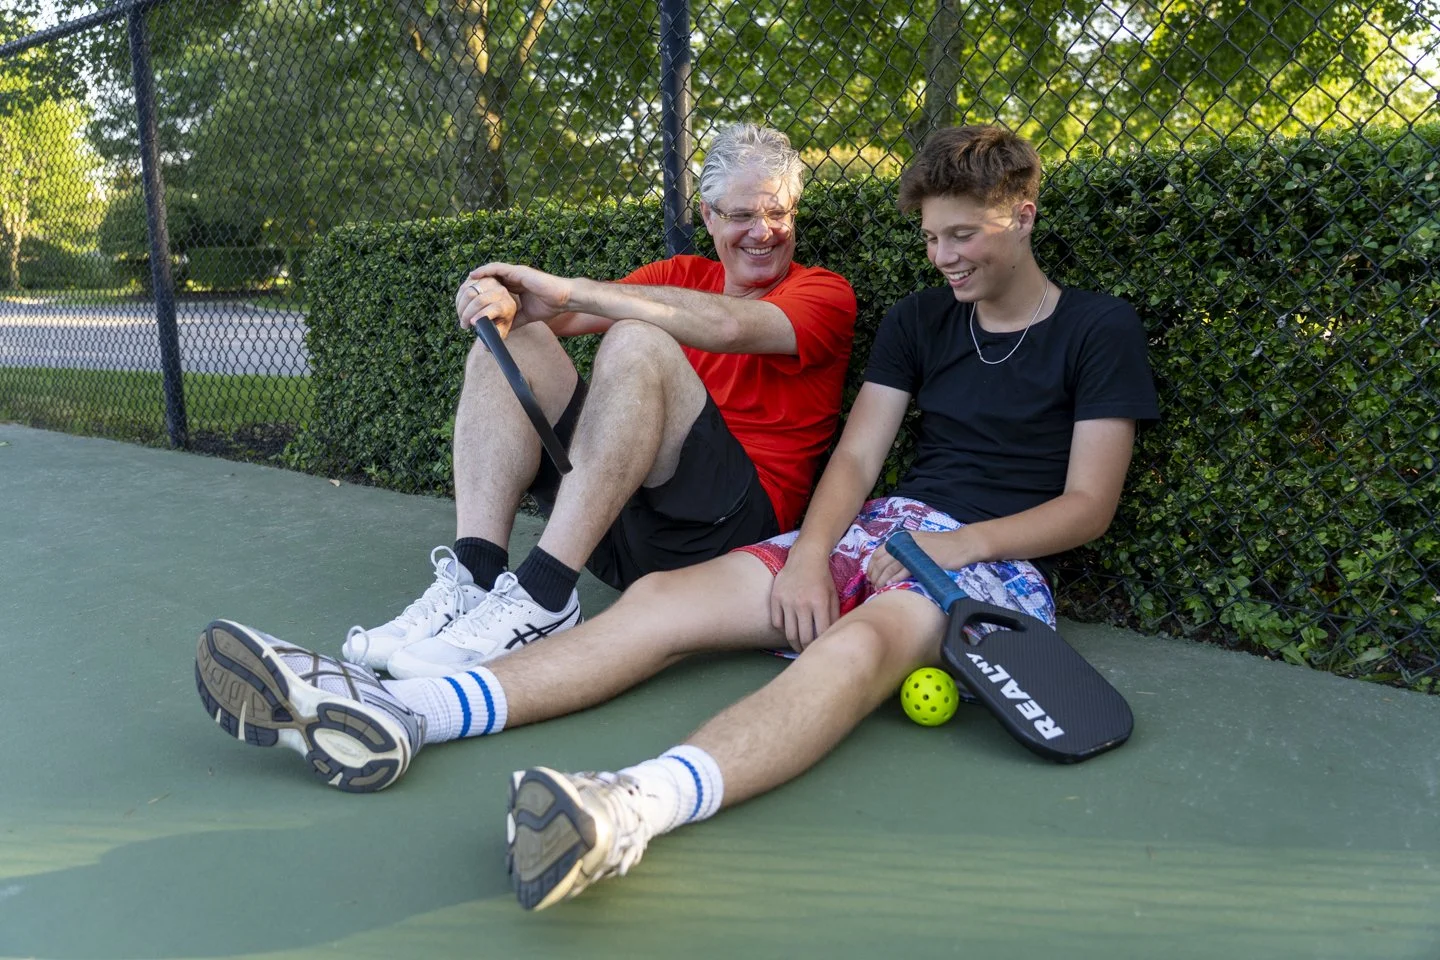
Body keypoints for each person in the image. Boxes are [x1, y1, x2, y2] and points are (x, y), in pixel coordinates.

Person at [194, 124, 1159, 911]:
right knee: (655, 600)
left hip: (989, 566)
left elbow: (1086, 507)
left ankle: (631, 807)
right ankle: (407, 710)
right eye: (934, 238)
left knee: (857, 652)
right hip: (883, 524)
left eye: (966, 236)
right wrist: (813, 555)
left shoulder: (1098, 329)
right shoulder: (919, 319)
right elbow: (860, 458)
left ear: (1022, 214)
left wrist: (954, 545)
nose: (945, 257)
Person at [341, 123, 856, 680]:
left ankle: (545, 595)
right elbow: (552, 315)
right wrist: (499, 299)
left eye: (778, 214)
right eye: (742, 216)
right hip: (620, 527)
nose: (764, 232)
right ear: (708, 217)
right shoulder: (679, 276)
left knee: (637, 337)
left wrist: (567, 289)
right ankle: (476, 575)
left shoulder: (825, 293)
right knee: (514, 340)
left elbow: (730, 326)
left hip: (729, 537)